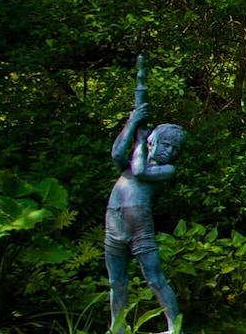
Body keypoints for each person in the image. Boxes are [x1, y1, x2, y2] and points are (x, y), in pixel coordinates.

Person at [106, 101, 185, 334]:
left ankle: (174, 328)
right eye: (167, 145)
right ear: (154, 141)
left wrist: (140, 141)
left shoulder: (165, 171)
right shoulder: (128, 165)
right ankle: (117, 328)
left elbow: (140, 171)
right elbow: (117, 153)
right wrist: (132, 122)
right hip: (114, 222)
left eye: (175, 150)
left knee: (154, 278)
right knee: (116, 282)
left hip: (138, 223)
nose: (169, 152)